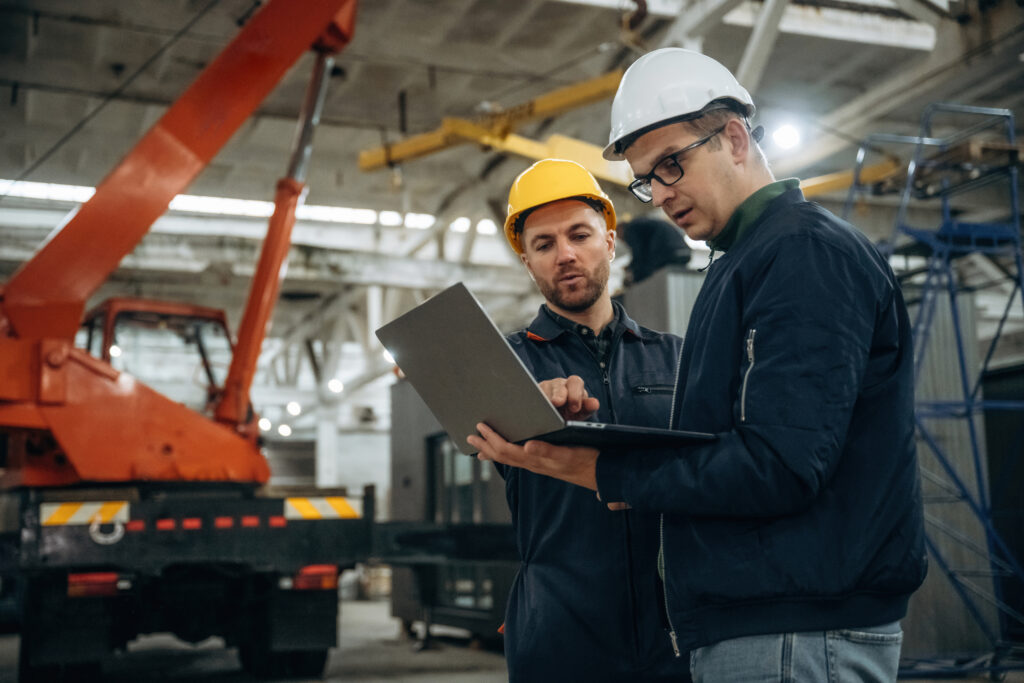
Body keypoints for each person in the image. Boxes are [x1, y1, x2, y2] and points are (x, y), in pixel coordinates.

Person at [470, 49, 927, 682]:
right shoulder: (737, 263)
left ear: (735, 138)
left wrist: (608, 471)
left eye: (670, 166)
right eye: (645, 180)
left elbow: (781, 463)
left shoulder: (798, 254)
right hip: (620, 633)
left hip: (788, 625)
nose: (659, 195)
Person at [492, 158, 691, 682]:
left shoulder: (678, 359)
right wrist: (528, 405)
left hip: (674, 637)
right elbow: (479, 436)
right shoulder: (504, 370)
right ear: (528, 263)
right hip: (558, 640)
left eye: (578, 235)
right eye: (544, 244)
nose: (565, 255)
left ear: (609, 239)